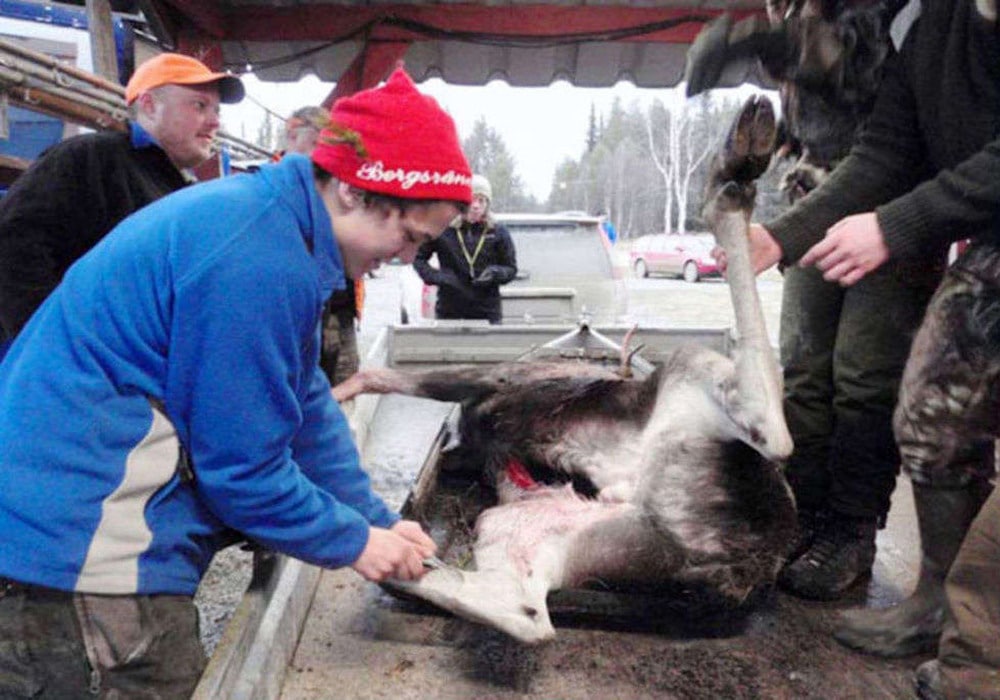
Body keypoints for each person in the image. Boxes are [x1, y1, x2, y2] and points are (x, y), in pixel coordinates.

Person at [0, 67, 470, 698]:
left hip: (86, 497)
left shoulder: (281, 230)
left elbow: (302, 401)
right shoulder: (255, 256)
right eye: (408, 236)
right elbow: (242, 471)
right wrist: (354, 543)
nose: (406, 258)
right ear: (355, 193)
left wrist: (372, 516)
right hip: (77, 527)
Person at [716, 0, 998, 695]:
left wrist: (901, 224)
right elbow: (887, 151)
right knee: (931, 414)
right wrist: (785, 235)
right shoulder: (921, 26)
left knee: (871, 379)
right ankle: (938, 603)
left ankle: (977, 646)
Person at [0, 52, 245, 360]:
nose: (214, 122)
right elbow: (13, 242)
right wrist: (52, 347)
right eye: (199, 105)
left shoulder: (178, 190)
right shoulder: (91, 158)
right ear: (149, 106)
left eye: (216, 110)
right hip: (51, 376)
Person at [280, 105, 364, 389]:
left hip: (337, 308)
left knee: (341, 381)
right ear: (292, 133)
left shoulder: (333, 188)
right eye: (316, 143)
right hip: (295, 313)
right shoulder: (271, 193)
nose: (321, 154)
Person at [413, 174, 517, 324]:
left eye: (481, 201)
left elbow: (511, 268)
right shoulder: (443, 229)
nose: (476, 206)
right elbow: (418, 258)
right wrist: (438, 276)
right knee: (448, 348)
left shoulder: (498, 231)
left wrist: (495, 273)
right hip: (450, 310)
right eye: (472, 199)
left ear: (487, 204)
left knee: (486, 348)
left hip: (487, 313)